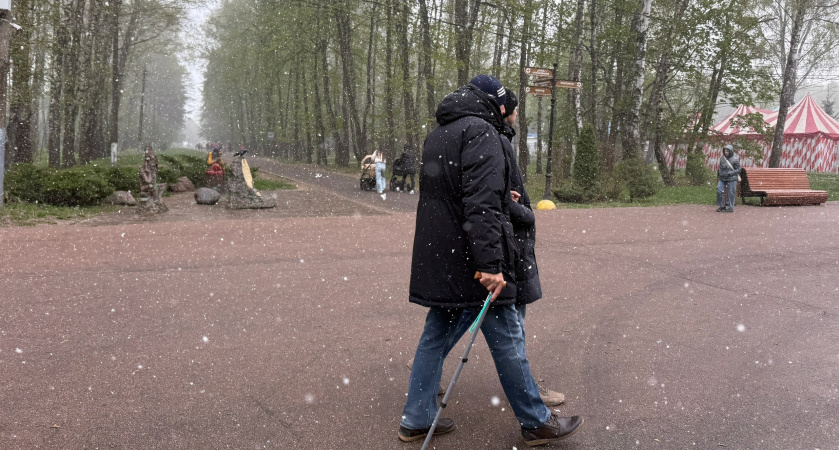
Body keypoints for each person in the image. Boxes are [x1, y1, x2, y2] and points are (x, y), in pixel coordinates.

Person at [398, 74, 583, 446]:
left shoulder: (440, 133)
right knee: (507, 336)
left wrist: (501, 198)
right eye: (504, 106)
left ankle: (417, 416)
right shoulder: (481, 132)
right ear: (494, 104)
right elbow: (479, 206)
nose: (505, 113)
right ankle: (535, 420)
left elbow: (455, 195)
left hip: (442, 254)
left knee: (435, 334)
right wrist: (491, 265)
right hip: (472, 260)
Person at [717, 144, 741, 213]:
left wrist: (731, 173)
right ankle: (722, 206)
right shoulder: (722, 159)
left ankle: (731, 207)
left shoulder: (735, 159)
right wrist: (720, 173)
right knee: (720, 190)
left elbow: (739, 169)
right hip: (722, 178)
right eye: (725, 151)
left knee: (731, 193)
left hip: (732, 178)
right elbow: (721, 167)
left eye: (727, 151)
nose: (726, 152)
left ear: (731, 151)